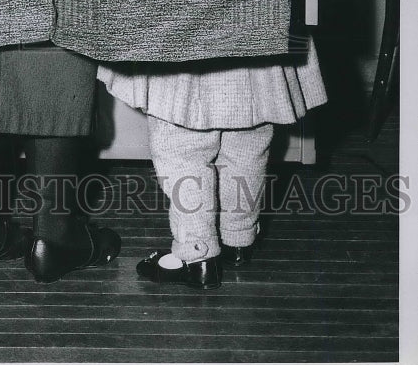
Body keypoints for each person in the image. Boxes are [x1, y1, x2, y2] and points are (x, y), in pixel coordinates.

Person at [99, 49, 327, 289]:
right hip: (257, 34)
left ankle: (198, 256)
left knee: (182, 147)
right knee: (247, 138)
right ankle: (238, 239)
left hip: (188, 38)